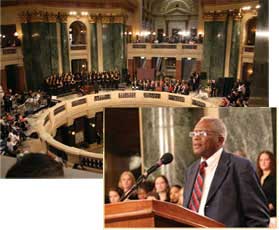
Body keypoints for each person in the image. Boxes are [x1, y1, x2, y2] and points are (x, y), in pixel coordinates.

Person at [183, 117, 269, 227]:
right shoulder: (190, 171)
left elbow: (258, 217)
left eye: (202, 133)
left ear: (220, 140)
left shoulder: (240, 167)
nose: (196, 138)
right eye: (194, 133)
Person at [256, 151, 276, 217]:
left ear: (271, 161)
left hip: (272, 214)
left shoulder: (275, 178)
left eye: (266, 160)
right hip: (258, 214)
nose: (263, 163)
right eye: (261, 160)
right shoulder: (257, 178)